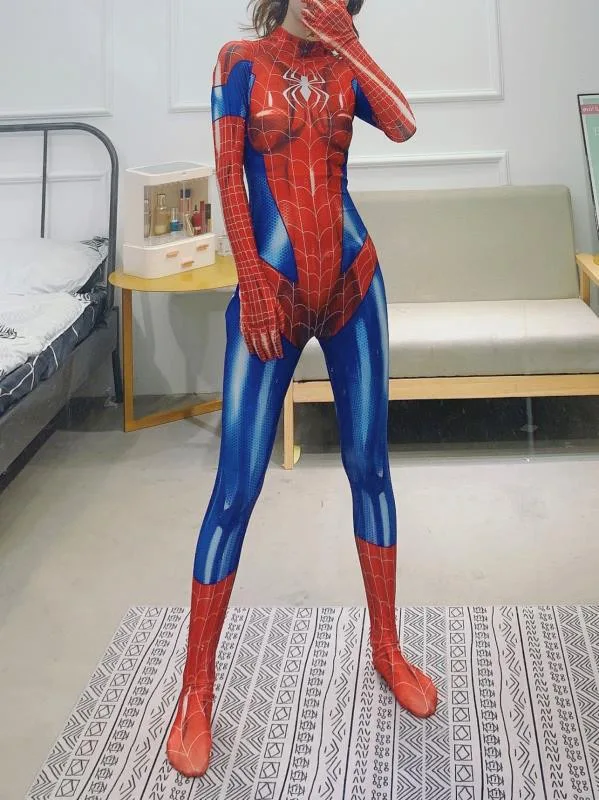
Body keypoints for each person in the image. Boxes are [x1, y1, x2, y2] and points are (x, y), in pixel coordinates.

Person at [167, 0, 438, 778]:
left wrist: (348, 43)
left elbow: (404, 124)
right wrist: (252, 286)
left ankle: (386, 647)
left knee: (370, 468)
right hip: (271, 291)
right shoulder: (239, 61)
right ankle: (194, 692)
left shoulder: (345, 62)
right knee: (234, 489)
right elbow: (228, 175)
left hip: (354, 280)